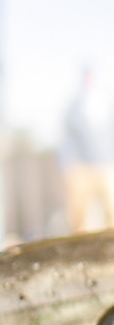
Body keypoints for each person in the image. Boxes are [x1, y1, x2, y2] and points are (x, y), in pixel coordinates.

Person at [62, 67, 114, 234]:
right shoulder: (74, 107)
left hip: (105, 164)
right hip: (81, 167)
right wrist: (69, 164)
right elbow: (68, 138)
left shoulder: (106, 104)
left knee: (110, 210)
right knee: (80, 217)